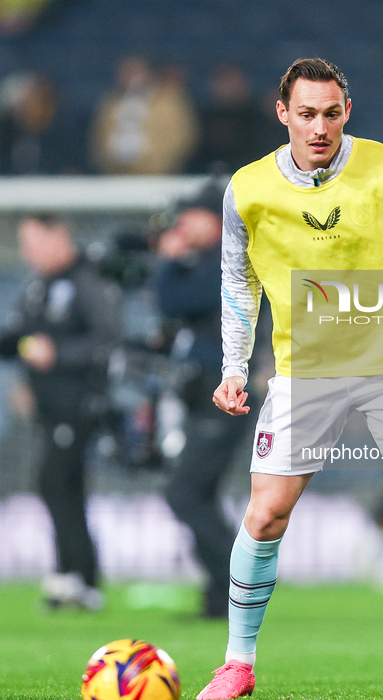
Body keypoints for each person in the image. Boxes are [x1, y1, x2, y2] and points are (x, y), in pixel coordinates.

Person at [196, 58, 383, 700]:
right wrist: (233, 365)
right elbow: (236, 281)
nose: (319, 125)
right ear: (283, 115)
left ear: (346, 112)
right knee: (265, 514)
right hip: (306, 368)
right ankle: (237, 662)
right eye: (306, 114)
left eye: (331, 113)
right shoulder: (247, 189)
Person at [0, 214, 121, 608]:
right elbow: (21, 338)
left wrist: (57, 355)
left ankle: (76, 575)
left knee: (54, 479)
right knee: (63, 485)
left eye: (33, 241)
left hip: (79, 404)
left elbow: (107, 338)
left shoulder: (86, 280)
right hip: (50, 408)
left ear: (60, 236)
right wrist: (23, 371)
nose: (27, 252)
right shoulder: (38, 285)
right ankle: (77, 577)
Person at [154, 181, 252, 618]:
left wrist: (168, 262)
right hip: (208, 393)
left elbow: (175, 300)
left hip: (226, 392)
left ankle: (240, 586)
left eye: (189, 216)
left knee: (185, 493)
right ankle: (223, 596)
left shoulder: (225, 258)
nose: (181, 226)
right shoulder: (211, 260)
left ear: (212, 218)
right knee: (201, 494)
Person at [90, 56, 200, 175]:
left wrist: (158, 165)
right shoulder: (110, 104)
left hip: (159, 175)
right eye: (127, 73)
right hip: (116, 176)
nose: (132, 78)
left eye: (136, 72)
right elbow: (98, 140)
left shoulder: (170, 102)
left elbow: (182, 139)